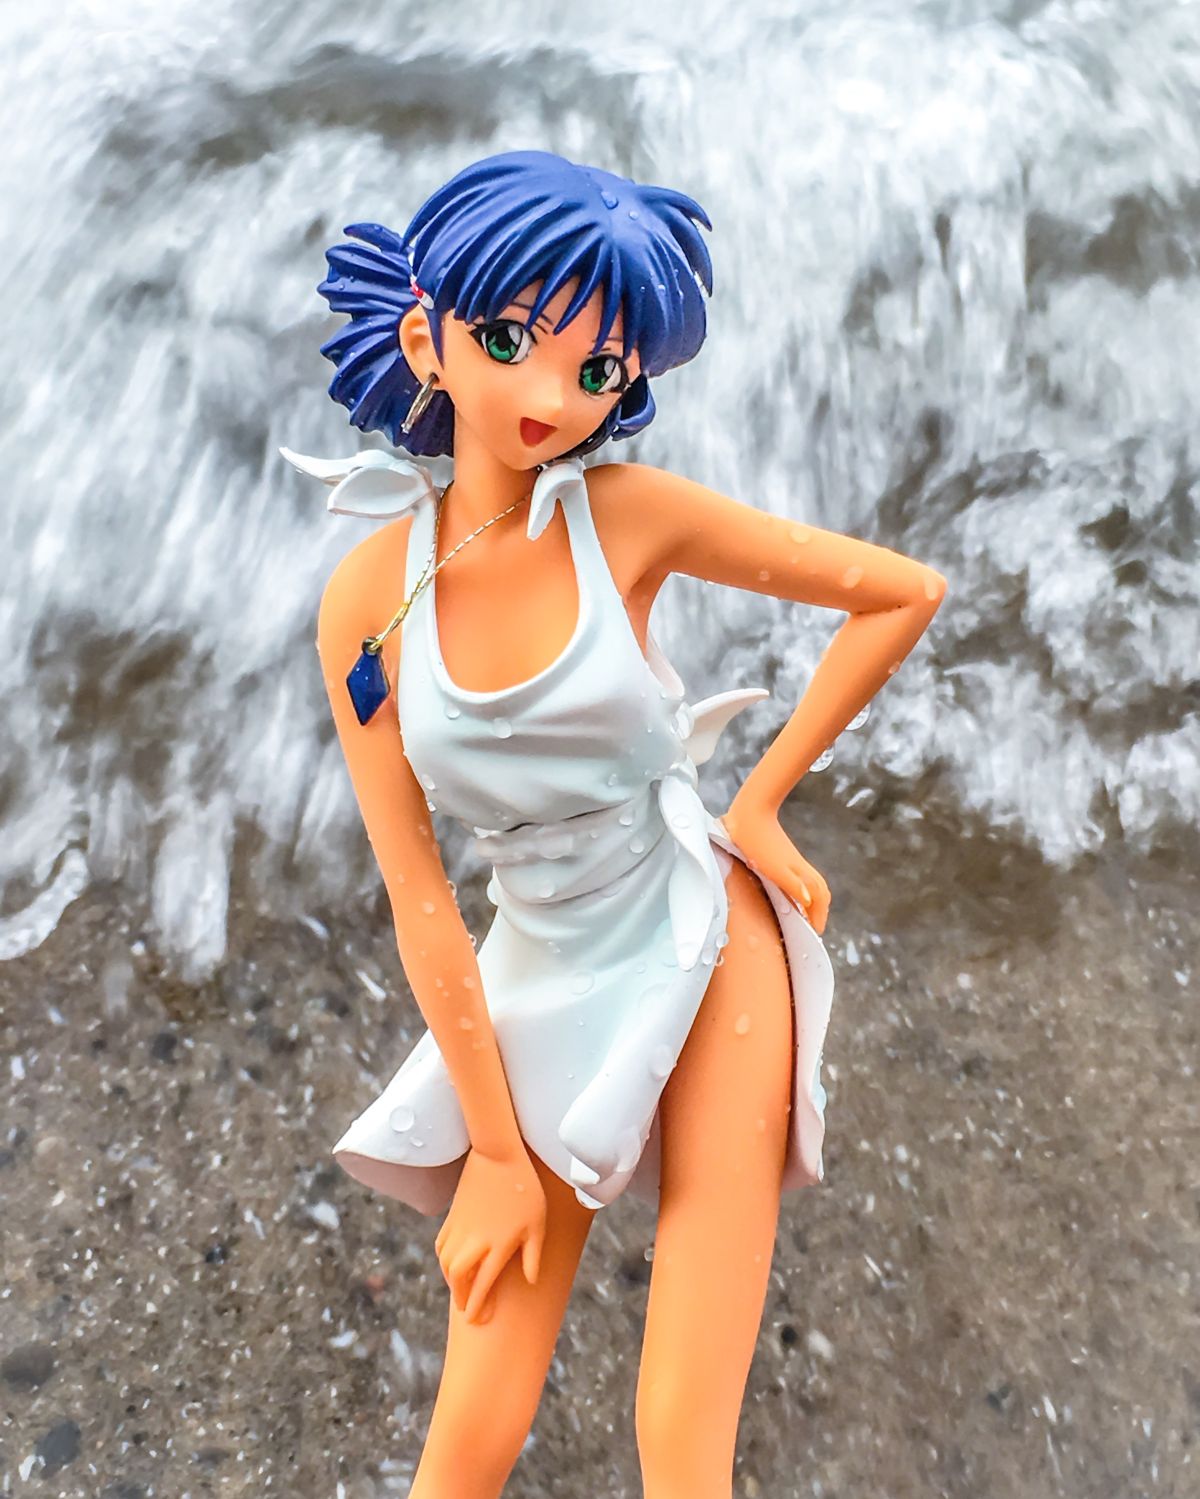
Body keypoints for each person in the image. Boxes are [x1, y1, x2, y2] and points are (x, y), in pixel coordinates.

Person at [288, 149, 946, 1499]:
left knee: (679, 1441)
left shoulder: (629, 523)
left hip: (707, 942)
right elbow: (420, 897)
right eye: (510, 342)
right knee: (468, 1434)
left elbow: (901, 593)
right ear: (425, 339)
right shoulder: (367, 601)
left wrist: (759, 800)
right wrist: (491, 1148)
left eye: (594, 371)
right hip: (540, 961)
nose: (551, 399)